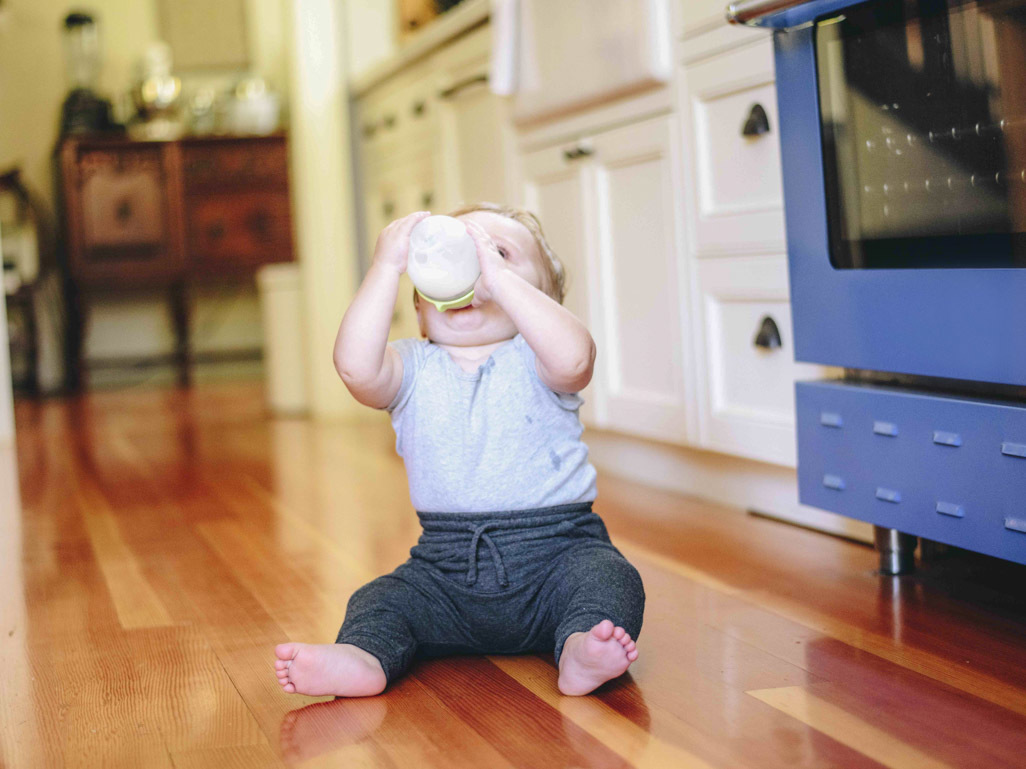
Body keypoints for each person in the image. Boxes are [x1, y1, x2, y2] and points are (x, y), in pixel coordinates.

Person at [274, 203, 645, 697]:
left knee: (611, 579)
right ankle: (363, 656)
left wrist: (501, 281)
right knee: (381, 599)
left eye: (498, 253)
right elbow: (355, 370)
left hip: (560, 554)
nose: (474, 266)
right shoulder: (411, 369)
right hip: (445, 571)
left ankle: (580, 647)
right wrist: (386, 267)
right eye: (461, 255)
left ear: (541, 303)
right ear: (422, 311)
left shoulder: (541, 360)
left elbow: (576, 355)